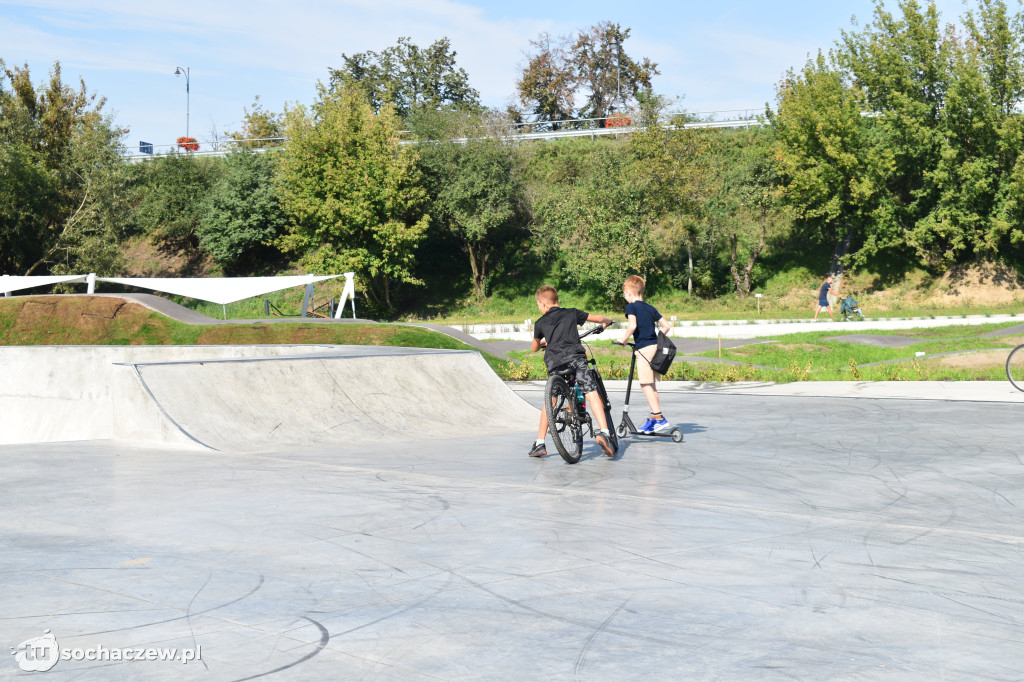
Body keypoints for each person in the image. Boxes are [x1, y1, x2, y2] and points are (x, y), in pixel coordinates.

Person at [529, 285, 616, 458]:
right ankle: (605, 432)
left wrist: (543, 344)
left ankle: (539, 443)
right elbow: (598, 318)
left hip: (555, 364)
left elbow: (534, 347)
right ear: (556, 301)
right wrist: (607, 321)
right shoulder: (571, 313)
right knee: (591, 391)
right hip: (576, 359)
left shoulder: (540, 323)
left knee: (550, 401)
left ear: (543, 305)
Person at [618, 275, 673, 433]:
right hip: (655, 347)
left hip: (644, 350)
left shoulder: (632, 307)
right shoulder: (650, 307)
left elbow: (632, 325)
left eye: (624, 294)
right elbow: (666, 326)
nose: (625, 297)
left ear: (629, 292)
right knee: (651, 385)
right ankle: (652, 418)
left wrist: (623, 339)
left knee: (645, 384)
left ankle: (658, 417)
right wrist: (657, 338)